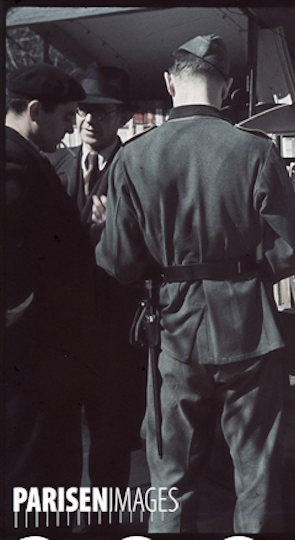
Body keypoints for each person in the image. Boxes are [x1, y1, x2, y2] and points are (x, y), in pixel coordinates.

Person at [94, 34, 295, 534]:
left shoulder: (134, 156)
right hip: (250, 330)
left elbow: (119, 263)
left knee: (170, 474)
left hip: (173, 330)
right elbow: (288, 251)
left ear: (170, 82)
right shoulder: (255, 151)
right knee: (255, 473)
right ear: (228, 88)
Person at [47, 64, 147, 525]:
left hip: (113, 325)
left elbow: (150, 248)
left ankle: (105, 526)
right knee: (59, 431)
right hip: (62, 326)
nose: (90, 120)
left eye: (103, 112)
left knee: (109, 433)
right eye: (84, 110)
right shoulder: (54, 165)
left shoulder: (138, 168)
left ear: (123, 118)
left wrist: (116, 230)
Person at [3, 63, 91, 533]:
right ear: (35, 112)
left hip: (37, 353)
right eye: (67, 117)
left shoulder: (24, 156)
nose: (73, 127)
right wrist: (17, 308)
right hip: (33, 355)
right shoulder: (15, 162)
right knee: (34, 467)